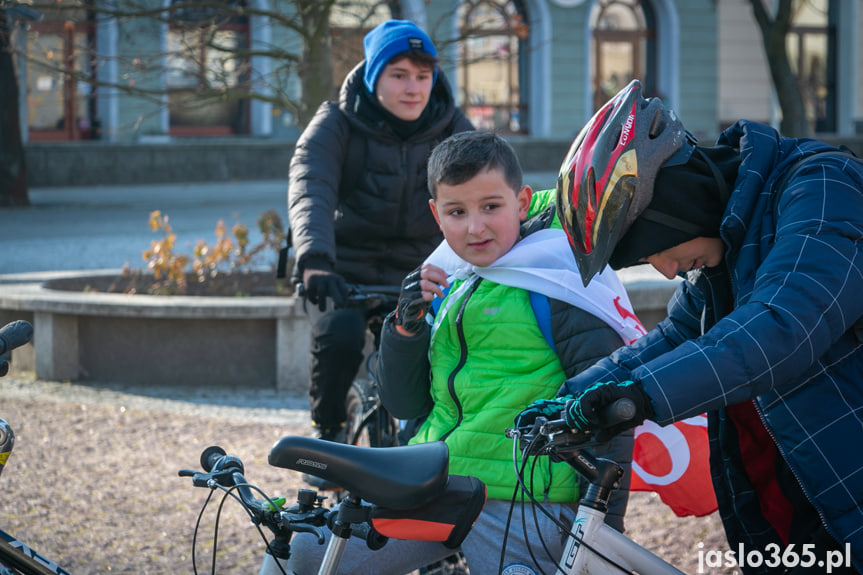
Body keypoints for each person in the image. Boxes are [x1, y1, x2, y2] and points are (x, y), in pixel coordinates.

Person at [517, 79, 863, 574]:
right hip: (787, 500)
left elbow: (782, 326)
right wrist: (570, 395)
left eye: (652, 249)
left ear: (674, 207)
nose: (664, 271)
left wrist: (638, 398)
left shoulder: (820, 187)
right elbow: (678, 335)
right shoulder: (727, 240)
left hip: (845, 490)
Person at [287, 19, 474, 442]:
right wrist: (315, 261)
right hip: (343, 271)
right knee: (340, 336)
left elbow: (491, 185)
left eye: (423, 76)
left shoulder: (452, 127)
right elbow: (310, 187)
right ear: (374, 78)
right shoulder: (336, 123)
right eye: (399, 75)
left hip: (422, 272)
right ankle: (329, 432)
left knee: (447, 347)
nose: (413, 88)